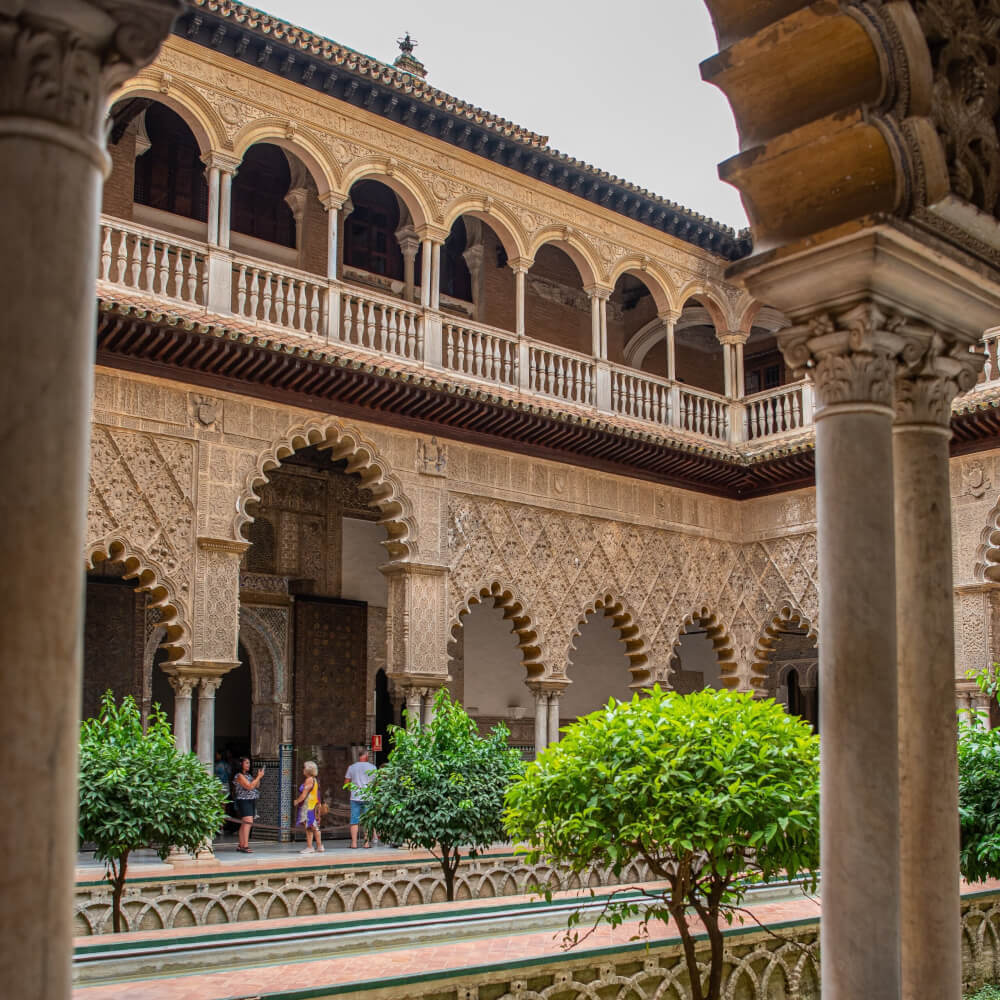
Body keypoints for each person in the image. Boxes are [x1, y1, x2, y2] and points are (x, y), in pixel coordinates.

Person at [345, 750, 377, 849]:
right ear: (366, 756)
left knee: (354, 820)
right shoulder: (373, 767)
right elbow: (376, 783)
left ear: (359, 757)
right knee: (367, 821)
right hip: (368, 797)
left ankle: (354, 843)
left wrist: (353, 790)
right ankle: (366, 843)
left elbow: (346, 783)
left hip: (355, 797)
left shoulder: (352, 767)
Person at [233, 756, 265, 853]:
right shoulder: (239, 776)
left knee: (245, 823)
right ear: (241, 764)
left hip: (251, 800)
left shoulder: (248, 775)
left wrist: (258, 777)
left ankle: (241, 844)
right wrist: (258, 777)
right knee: (248, 822)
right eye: (246, 763)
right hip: (244, 800)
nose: (248, 765)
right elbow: (249, 786)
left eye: (249, 763)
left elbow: (256, 785)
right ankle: (245, 846)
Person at [293, 760, 324, 854]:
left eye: (304, 767)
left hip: (308, 806)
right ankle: (318, 846)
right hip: (312, 805)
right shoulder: (314, 779)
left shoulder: (309, 780)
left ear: (308, 770)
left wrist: (296, 801)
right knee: (311, 827)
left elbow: (304, 794)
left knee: (311, 826)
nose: (302, 769)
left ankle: (312, 847)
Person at [213, 751, 232, 837]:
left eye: (218, 754)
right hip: (223, 785)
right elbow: (229, 774)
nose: (216, 755)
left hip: (220, 785)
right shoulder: (225, 765)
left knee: (219, 807)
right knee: (222, 807)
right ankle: (220, 827)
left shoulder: (219, 765)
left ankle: (220, 827)